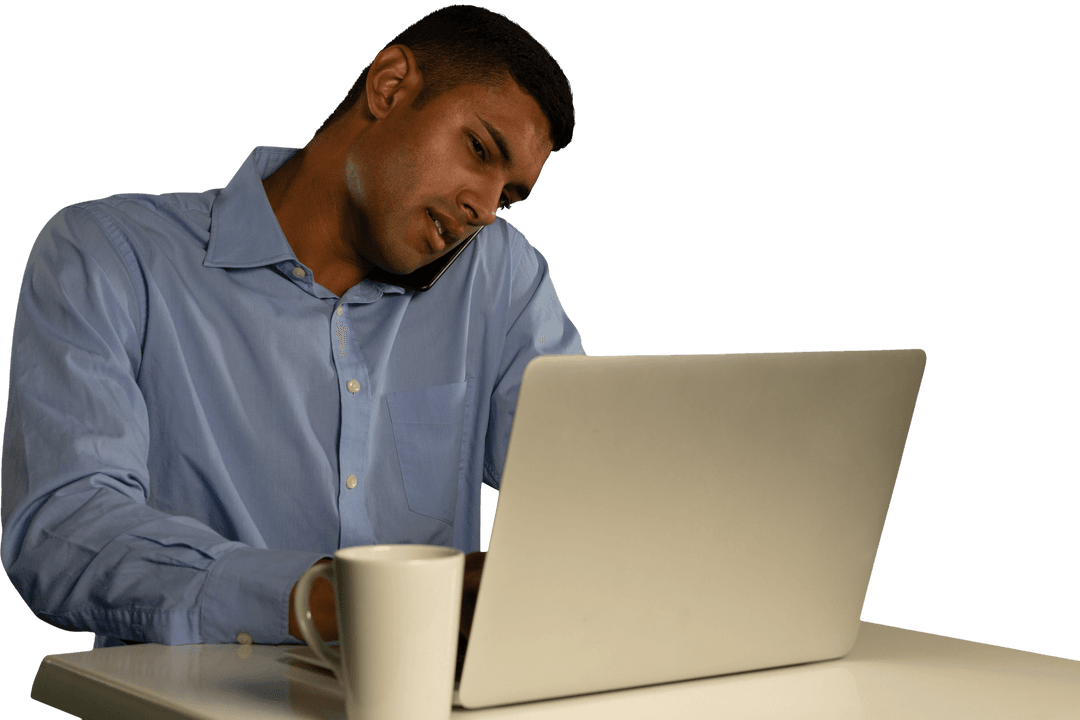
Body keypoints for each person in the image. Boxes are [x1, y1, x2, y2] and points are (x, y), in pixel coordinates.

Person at [0, 5, 582, 652]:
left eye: (507, 197)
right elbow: (63, 532)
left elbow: (593, 477)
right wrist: (327, 600)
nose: (482, 207)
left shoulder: (498, 276)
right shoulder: (112, 256)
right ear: (389, 86)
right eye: (478, 150)